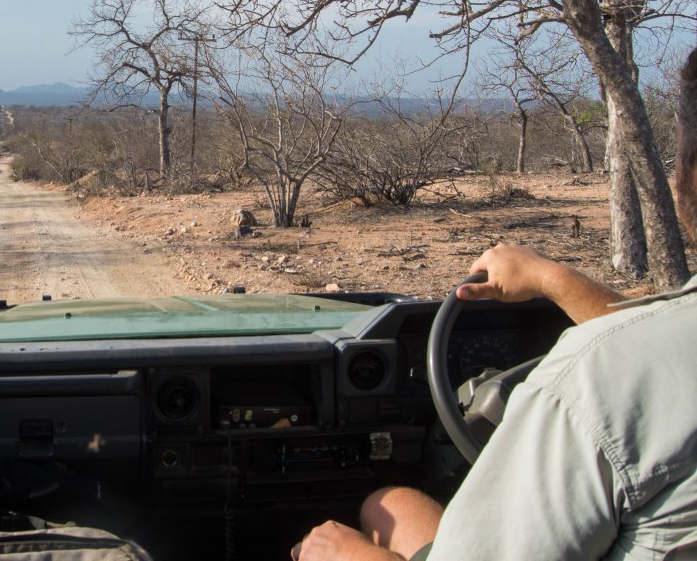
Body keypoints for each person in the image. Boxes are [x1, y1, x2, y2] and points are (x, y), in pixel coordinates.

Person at [293, 46, 697, 561]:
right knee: (388, 503)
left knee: (338, 537)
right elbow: (653, 357)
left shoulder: (586, 385)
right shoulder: (646, 361)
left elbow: (632, 364)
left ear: (686, 175)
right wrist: (549, 277)